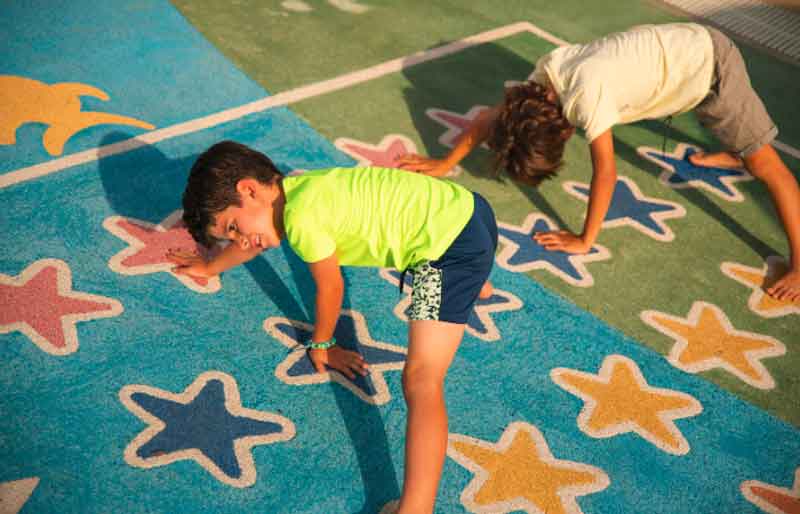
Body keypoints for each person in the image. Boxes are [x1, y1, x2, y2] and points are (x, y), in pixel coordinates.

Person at [167, 141, 497, 514]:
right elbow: (254, 238)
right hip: (471, 209)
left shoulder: (301, 220)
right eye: (231, 238)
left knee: (421, 379)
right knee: (461, 271)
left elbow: (330, 287)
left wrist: (322, 345)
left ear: (249, 189)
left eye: (232, 227)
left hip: (450, 250)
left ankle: (416, 509)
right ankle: (476, 280)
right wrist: (211, 267)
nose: (241, 241)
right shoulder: (297, 191)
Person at [397, 22, 800, 302]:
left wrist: (584, 239)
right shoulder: (543, 82)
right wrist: (443, 161)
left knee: (765, 167)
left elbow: (606, 172)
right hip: (674, 56)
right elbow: (492, 115)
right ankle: (734, 150)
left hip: (709, 67)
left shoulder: (587, 99)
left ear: (565, 130)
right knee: (738, 147)